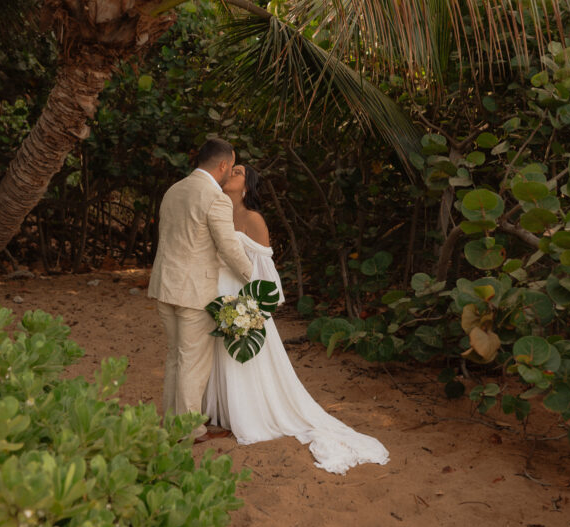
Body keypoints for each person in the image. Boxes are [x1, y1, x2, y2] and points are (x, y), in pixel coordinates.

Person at [204, 164, 390, 474]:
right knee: (216, 357)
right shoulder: (218, 211)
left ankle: (246, 415)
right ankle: (219, 414)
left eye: (236, 172)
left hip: (243, 301)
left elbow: (264, 275)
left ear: (247, 187)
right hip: (217, 296)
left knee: (243, 361)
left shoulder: (254, 220)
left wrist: (249, 312)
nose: (229, 174)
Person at [148, 138, 253, 443]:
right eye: (231, 167)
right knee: (193, 362)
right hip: (195, 291)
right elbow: (229, 247)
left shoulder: (174, 190)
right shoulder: (214, 197)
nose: (229, 172)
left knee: (176, 357)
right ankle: (190, 429)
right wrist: (253, 276)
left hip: (165, 286)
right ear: (223, 165)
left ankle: (171, 423)